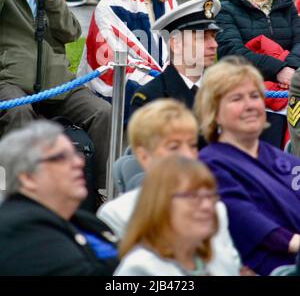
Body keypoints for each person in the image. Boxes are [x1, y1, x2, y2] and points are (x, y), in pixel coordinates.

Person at [0, 0, 112, 200]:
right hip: (11, 80)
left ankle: (102, 193)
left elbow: (71, 32)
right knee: (19, 112)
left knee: (103, 113)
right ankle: (20, 196)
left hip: (56, 81)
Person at [98, 99, 242, 276]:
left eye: (192, 145)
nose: (188, 155)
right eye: (174, 147)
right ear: (144, 156)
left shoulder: (215, 209)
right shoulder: (117, 214)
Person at [196, 57, 300, 275]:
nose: (250, 105)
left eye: (255, 96)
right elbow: (249, 222)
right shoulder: (210, 166)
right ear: (214, 111)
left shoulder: (284, 159)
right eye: (236, 98)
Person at [0, 121, 119, 276]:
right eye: (61, 157)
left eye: (76, 154)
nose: (79, 162)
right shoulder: (20, 228)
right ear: (28, 177)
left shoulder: (82, 219)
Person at [78, 0, 176, 120]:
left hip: (163, 79)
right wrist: (157, 82)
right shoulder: (109, 5)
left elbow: (179, 49)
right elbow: (110, 58)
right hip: (128, 81)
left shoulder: (169, 2)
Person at [216, 0, 300, 147]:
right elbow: (231, 51)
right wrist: (279, 69)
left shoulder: (286, 4)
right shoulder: (226, 7)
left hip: (289, 85)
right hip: (248, 88)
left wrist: (290, 68)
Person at [114, 155, 219, 276]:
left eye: (210, 196)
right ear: (161, 203)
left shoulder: (204, 261)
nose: (207, 206)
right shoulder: (142, 269)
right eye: (193, 196)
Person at [129, 0, 219, 118]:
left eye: (213, 36)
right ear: (175, 44)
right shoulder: (151, 98)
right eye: (202, 38)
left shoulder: (222, 89)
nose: (214, 45)